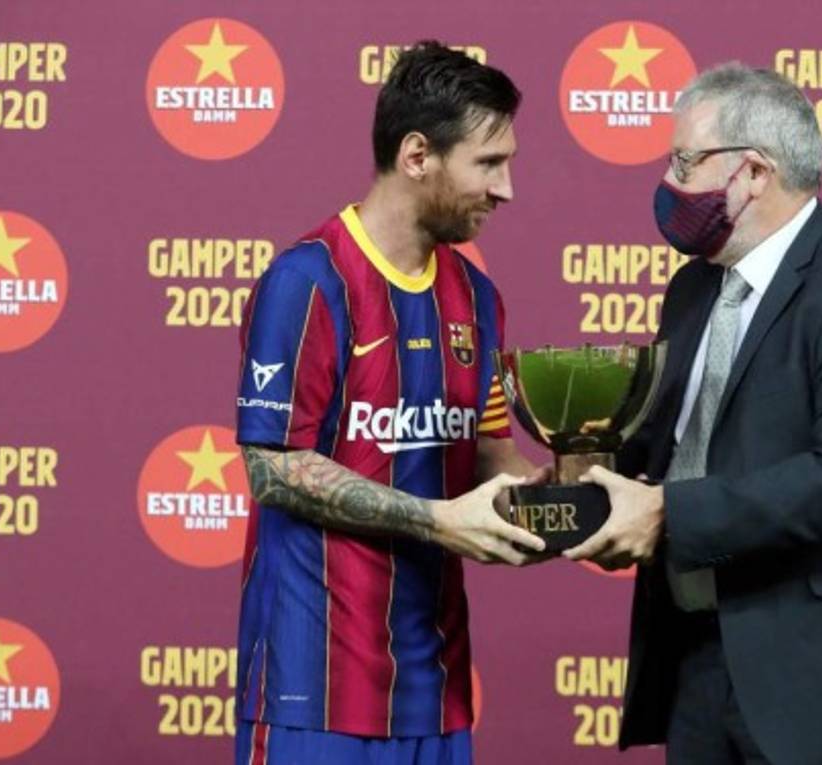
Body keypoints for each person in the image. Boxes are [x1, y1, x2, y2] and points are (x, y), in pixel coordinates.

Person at [565, 63, 822, 764]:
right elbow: (669, 440)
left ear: (752, 172)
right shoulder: (692, 289)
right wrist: (584, 477)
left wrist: (665, 514)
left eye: (684, 161)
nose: (670, 184)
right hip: (697, 663)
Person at [232, 42, 546, 765]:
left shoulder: (477, 297)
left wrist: (565, 493)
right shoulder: (307, 280)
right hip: (311, 691)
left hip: (436, 692)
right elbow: (273, 469)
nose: (507, 190)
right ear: (416, 156)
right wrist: (438, 521)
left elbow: (489, 459)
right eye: (489, 163)